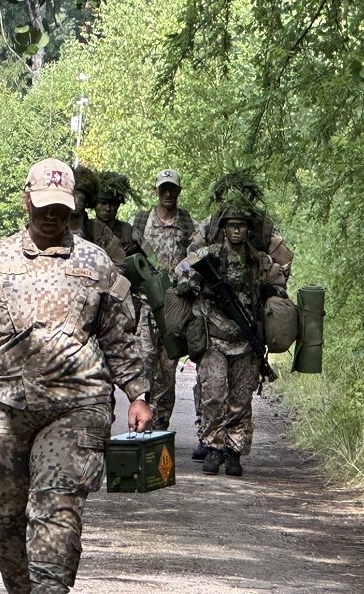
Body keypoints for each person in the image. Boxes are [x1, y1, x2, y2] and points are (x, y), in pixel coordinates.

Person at [0, 158, 152, 594]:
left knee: (57, 505)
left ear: (73, 206)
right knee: (6, 508)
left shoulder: (97, 264)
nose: (52, 218)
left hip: (76, 405)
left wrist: (137, 393)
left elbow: (121, 334)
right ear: (26, 201)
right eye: (44, 208)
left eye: (62, 209)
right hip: (4, 405)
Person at [175, 200, 284, 477]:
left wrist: (272, 291)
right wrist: (195, 285)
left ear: (248, 230)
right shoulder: (208, 255)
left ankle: (234, 452)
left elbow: (280, 285)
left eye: (242, 226)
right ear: (223, 228)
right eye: (232, 226)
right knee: (213, 396)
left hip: (246, 341)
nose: (237, 231)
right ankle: (213, 447)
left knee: (241, 399)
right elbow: (180, 275)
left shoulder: (259, 261)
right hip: (214, 338)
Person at [130, 168, 195, 431]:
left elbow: (195, 256)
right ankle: (141, 421)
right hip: (145, 304)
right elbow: (130, 256)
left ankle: (160, 426)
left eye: (173, 189)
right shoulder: (142, 220)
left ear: (178, 192)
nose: (168, 194)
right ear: (156, 191)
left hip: (173, 307)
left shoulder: (188, 223)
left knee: (167, 370)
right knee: (144, 362)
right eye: (163, 189)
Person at [70, 164, 126, 266]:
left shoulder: (99, 231)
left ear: (87, 202)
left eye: (80, 198)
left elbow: (120, 263)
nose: (75, 201)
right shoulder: (53, 226)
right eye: (71, 195)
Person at [95, 171, 144, 257]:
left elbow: (152, 265)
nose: (108, 208)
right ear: (94, 203)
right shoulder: (84, 231)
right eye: (103, 203)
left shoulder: (131, 233)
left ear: (118, 205)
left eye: (112, 204)